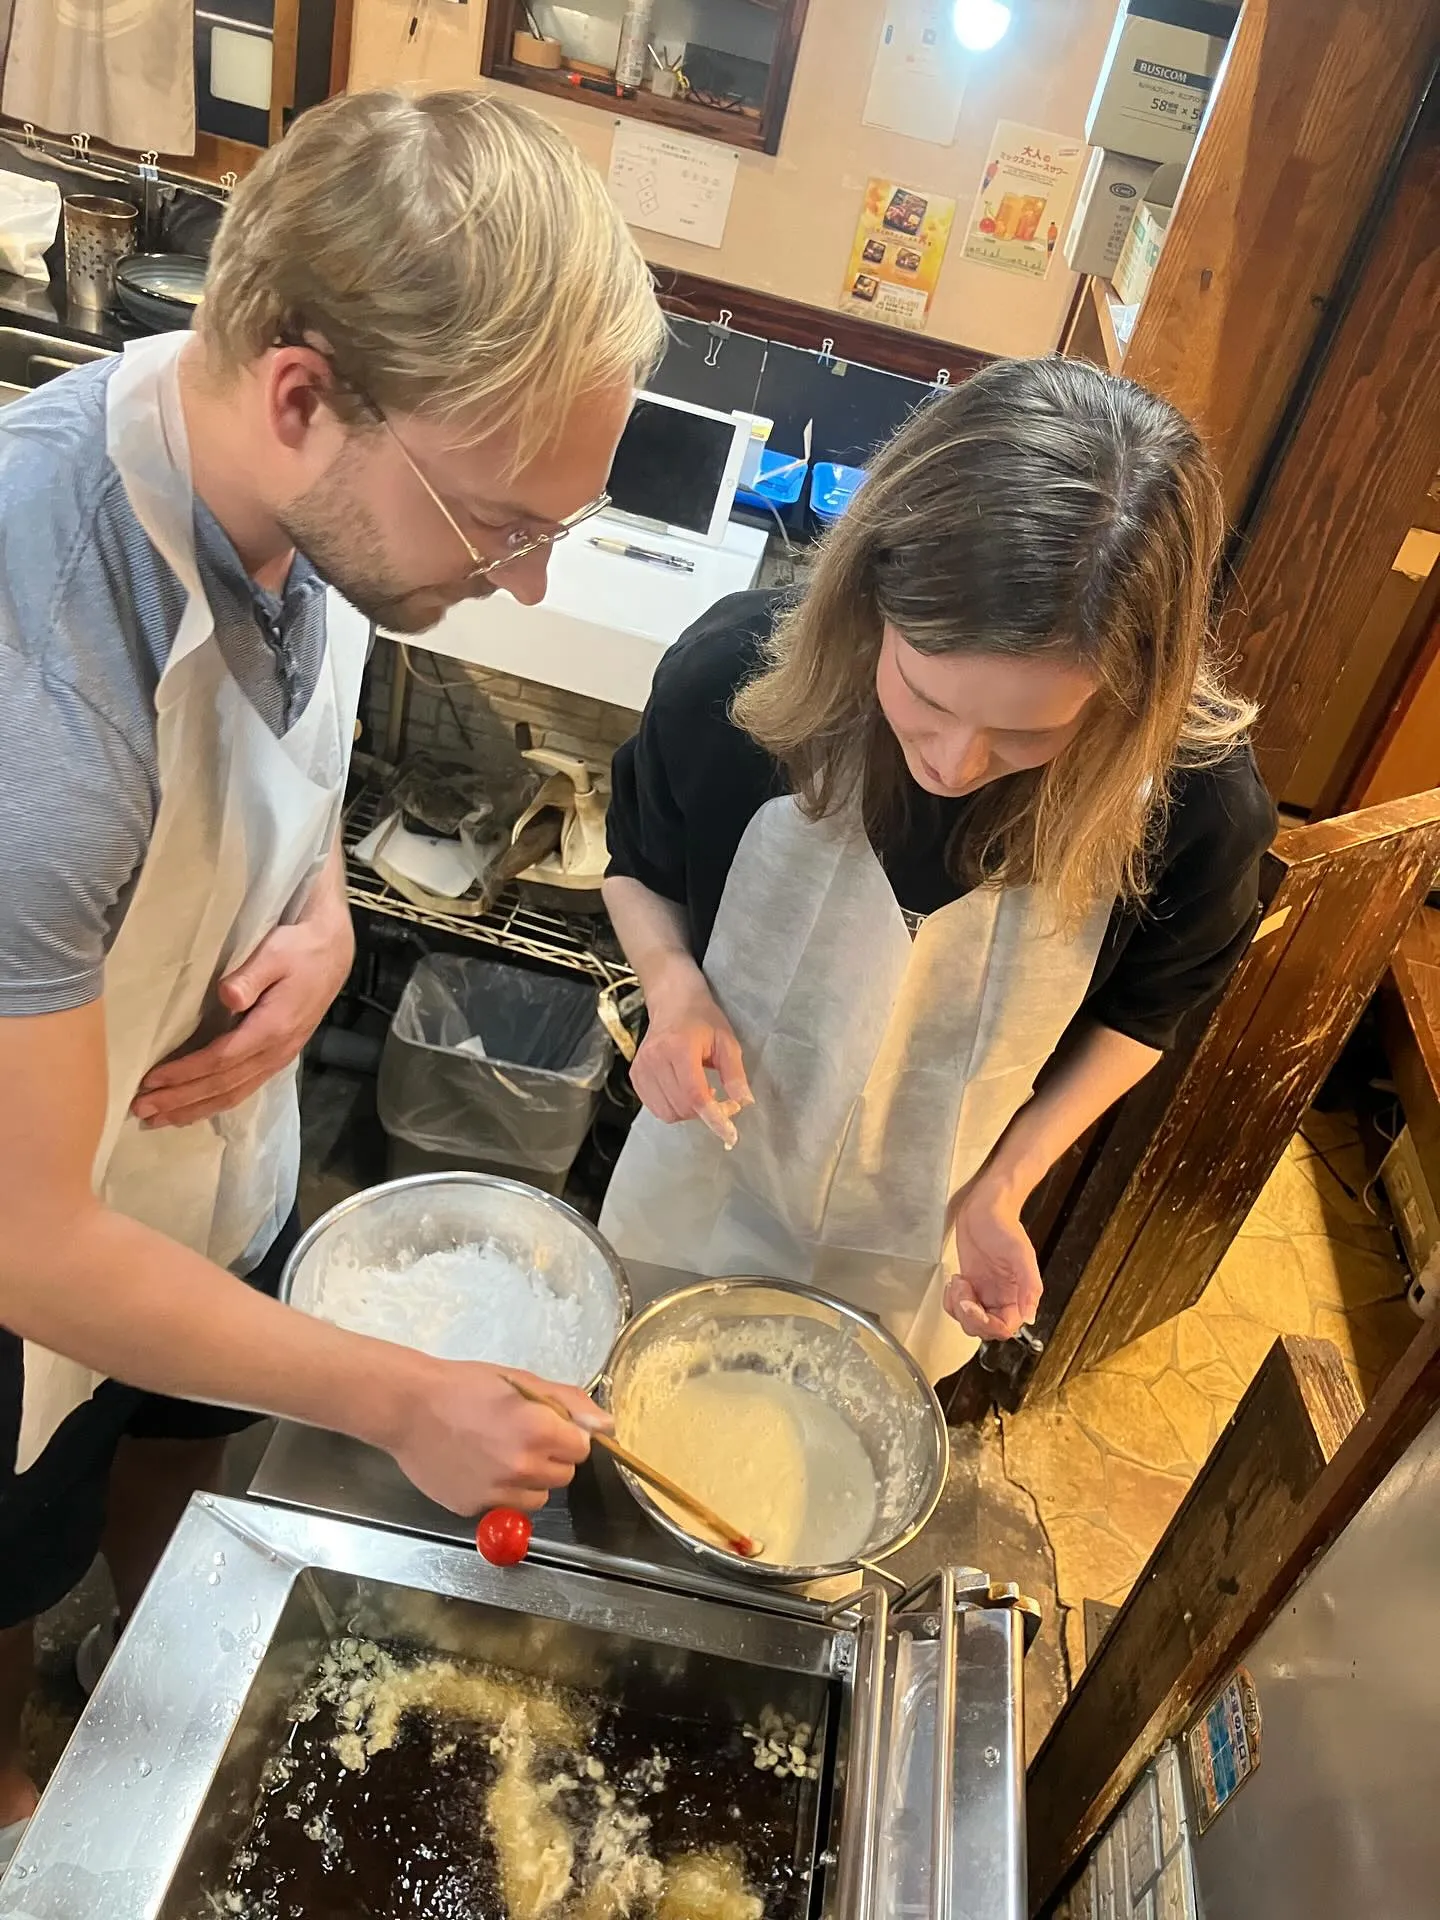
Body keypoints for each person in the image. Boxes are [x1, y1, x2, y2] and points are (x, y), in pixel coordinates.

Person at [0, 87, 664, 1850]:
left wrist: (324, 928)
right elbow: (27, 1244)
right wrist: (397, 1397)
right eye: (501, 525)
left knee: (174, 1460)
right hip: (35, 1263)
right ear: (302, 393)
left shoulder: (309, 489)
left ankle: (149, 1668)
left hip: (203, 1175)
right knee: (13, 1566)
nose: (525, 589)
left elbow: (276, 797)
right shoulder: (47, 679)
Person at [600, 356, 1276, 1382]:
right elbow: (635, 865)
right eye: (922, 693)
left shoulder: (1197, 807)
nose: (956, 764)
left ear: (1129, 692)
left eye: (1023, 731)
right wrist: (674, 987)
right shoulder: (732, 682)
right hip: (706, 1186)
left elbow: (1147, 1014)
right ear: (869, 598)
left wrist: (1006, 1181)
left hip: (919, 1238)